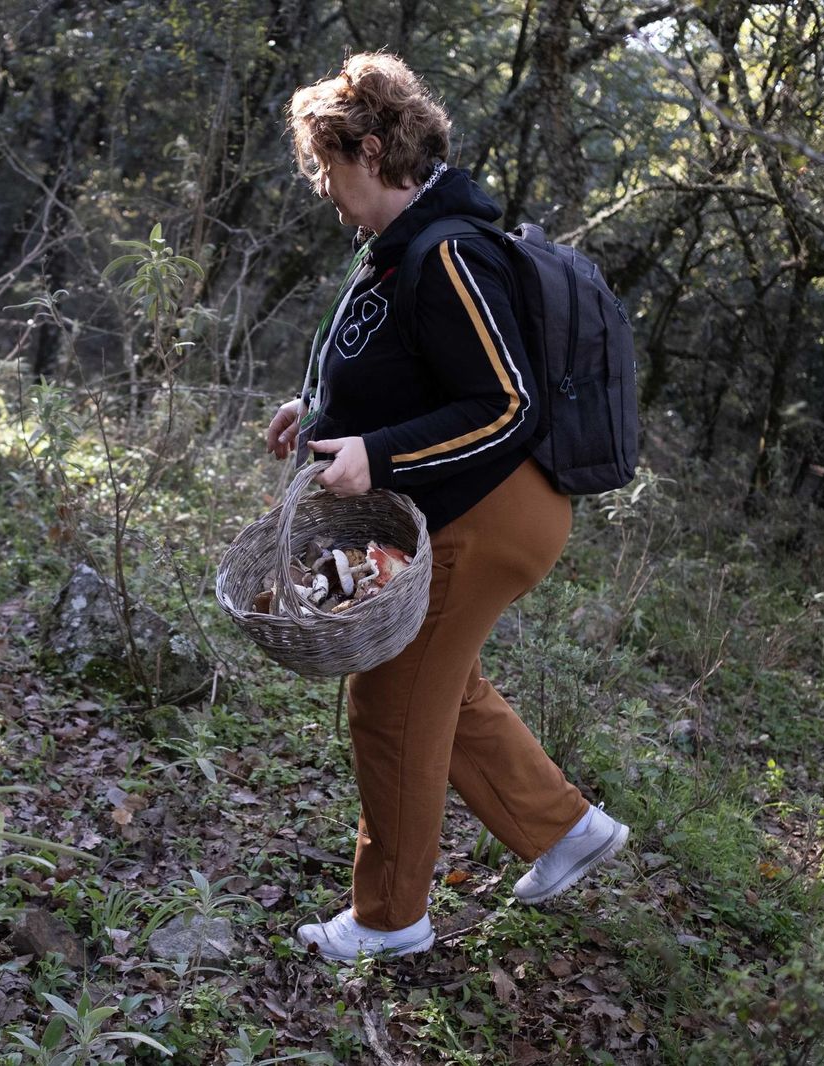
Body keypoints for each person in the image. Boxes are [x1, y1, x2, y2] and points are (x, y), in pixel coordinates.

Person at [266, 52, 630, 962]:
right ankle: (565, 829)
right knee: (444, 684)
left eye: (327, 166)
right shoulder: (397, 255)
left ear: (371, 149)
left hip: (490, 512)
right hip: (470, 508)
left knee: (388, 696)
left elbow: (506, 403)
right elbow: (411, 375)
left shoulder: (450, 251)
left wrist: (379, 455)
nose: (323, 188)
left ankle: (390, 920)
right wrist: (320, 412)